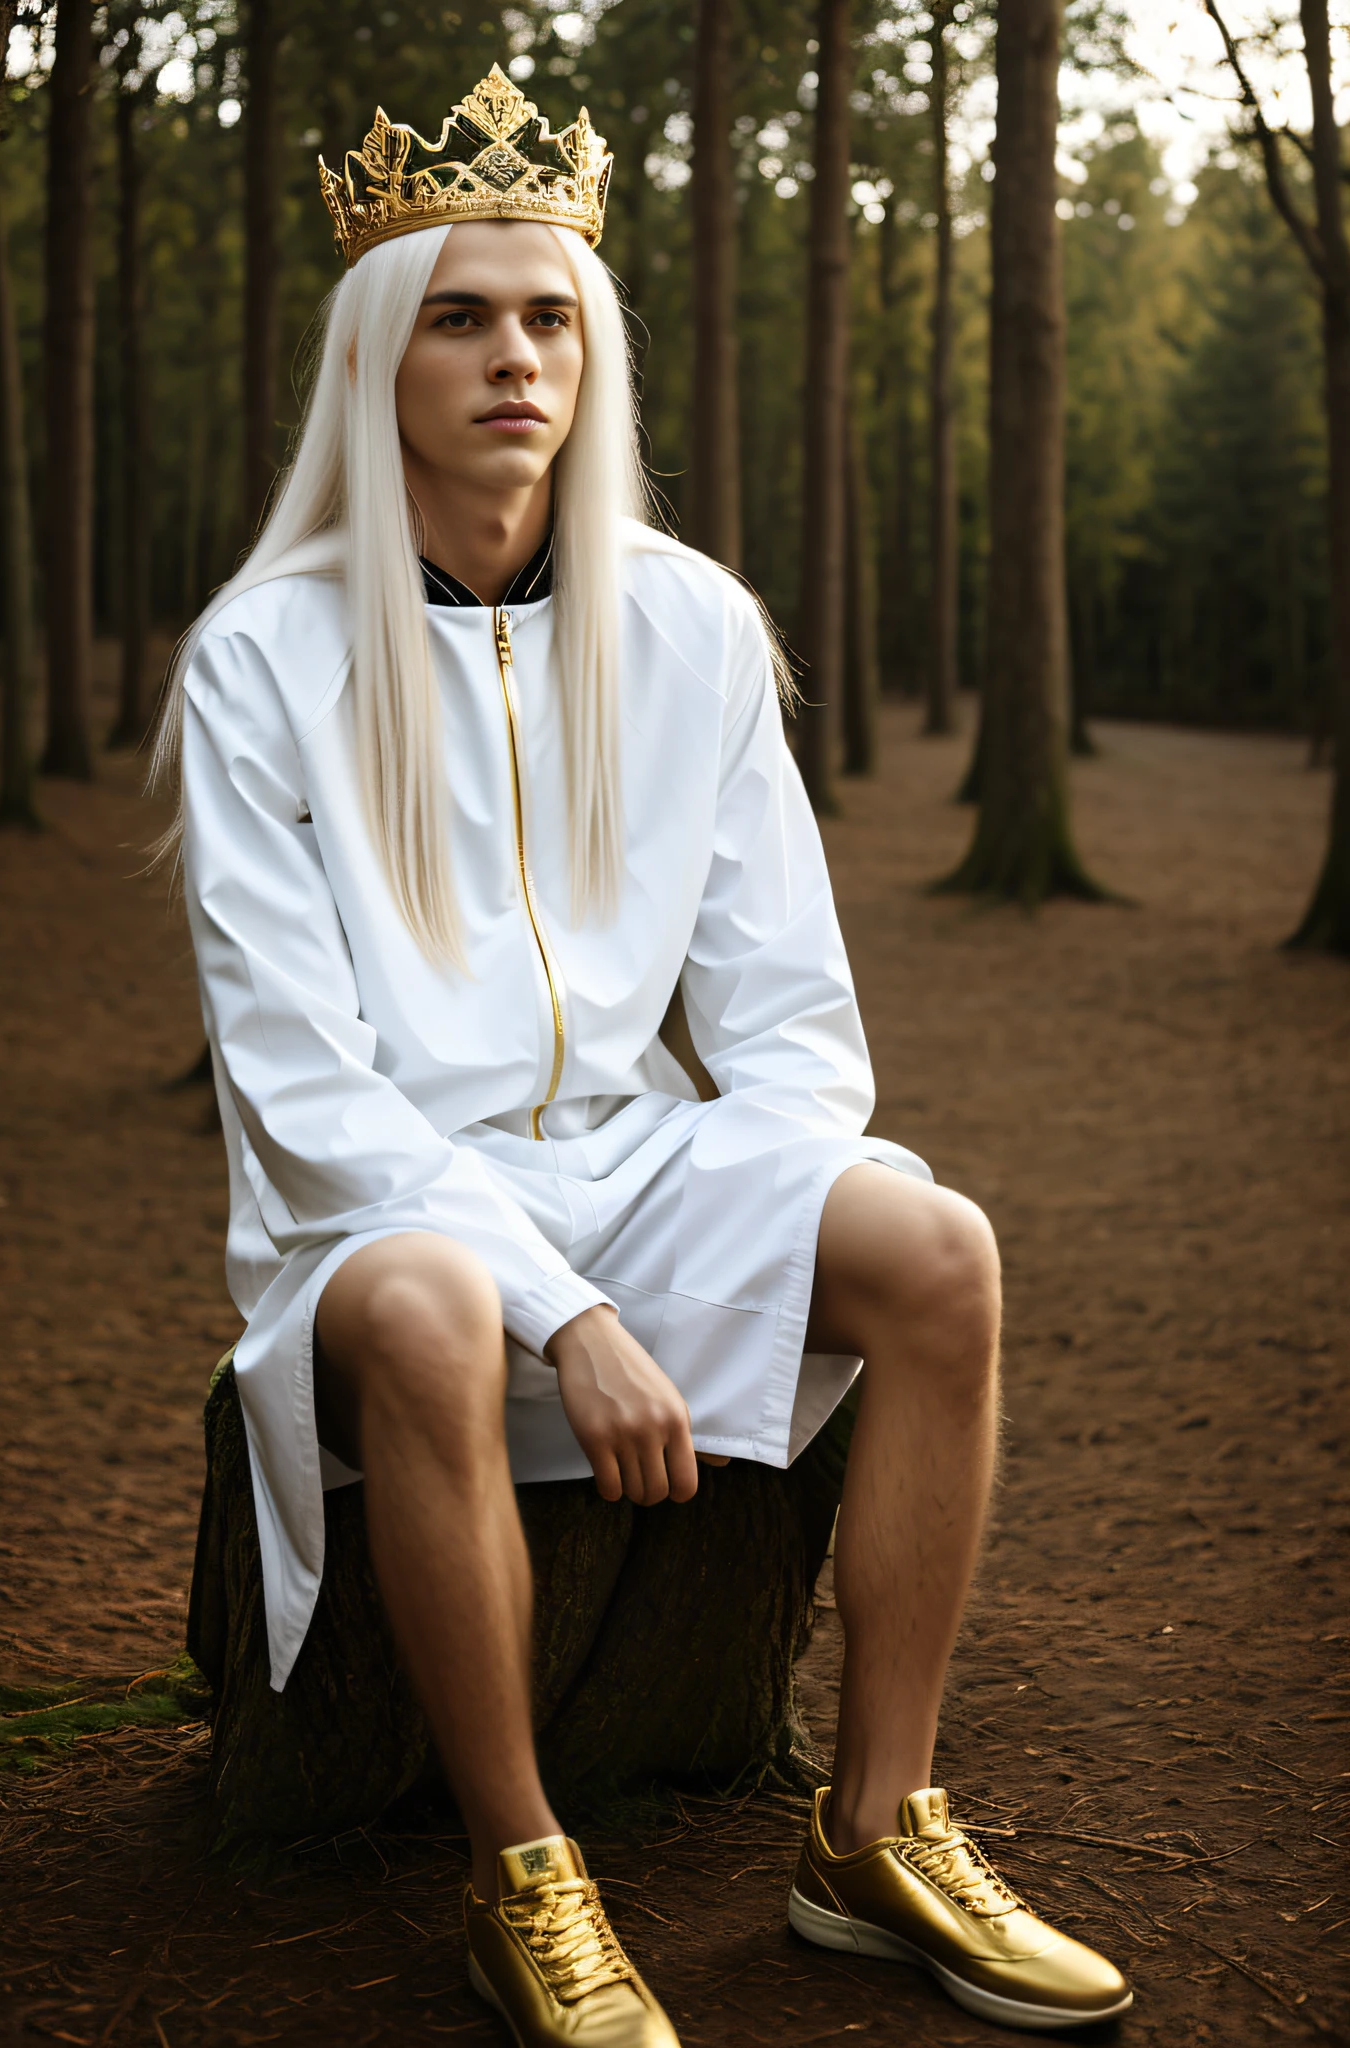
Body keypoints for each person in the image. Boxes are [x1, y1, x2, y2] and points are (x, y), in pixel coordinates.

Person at [163, 65, 1133, 2047]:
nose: (515, 355)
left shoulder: (689, 630)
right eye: (459, 313)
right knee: (441, 1307)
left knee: (937, 1249)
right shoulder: (261, 659)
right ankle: (525, 1867)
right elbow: (305, 1088)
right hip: (386, 1203)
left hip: (631, 1148)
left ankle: (872, 1826)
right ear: (379, 357)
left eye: (551, 316)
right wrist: (569, 1309)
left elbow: (791, 1035)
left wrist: (725, 1230)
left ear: (595, 351)